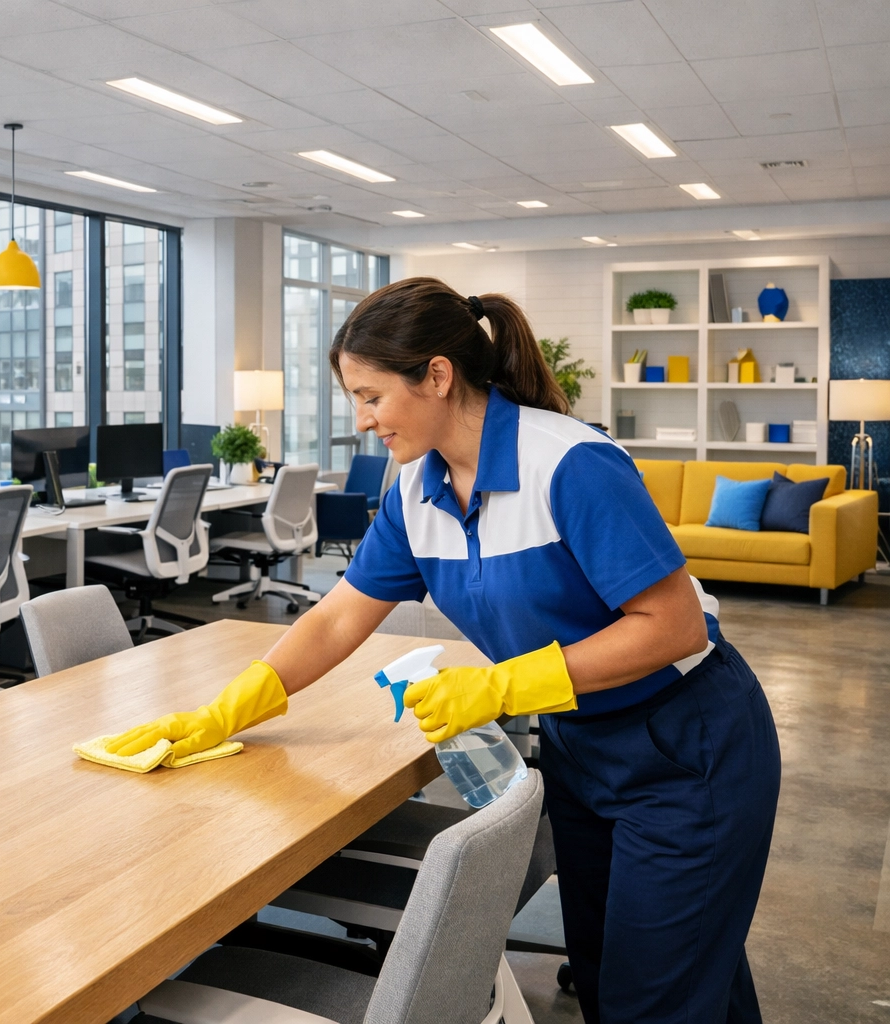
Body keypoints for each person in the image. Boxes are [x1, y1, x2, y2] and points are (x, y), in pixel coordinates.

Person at [105, 278, 780, 1024]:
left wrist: (497, 688)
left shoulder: (570, 464)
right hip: (582, 747)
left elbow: (672, 626)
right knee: (626, 973)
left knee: (651, 999)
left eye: (371, 396)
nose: (362, 422)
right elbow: (334, 621)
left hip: (688, 746)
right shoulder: (413, 491)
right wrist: (228, 710)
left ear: (436, 374)